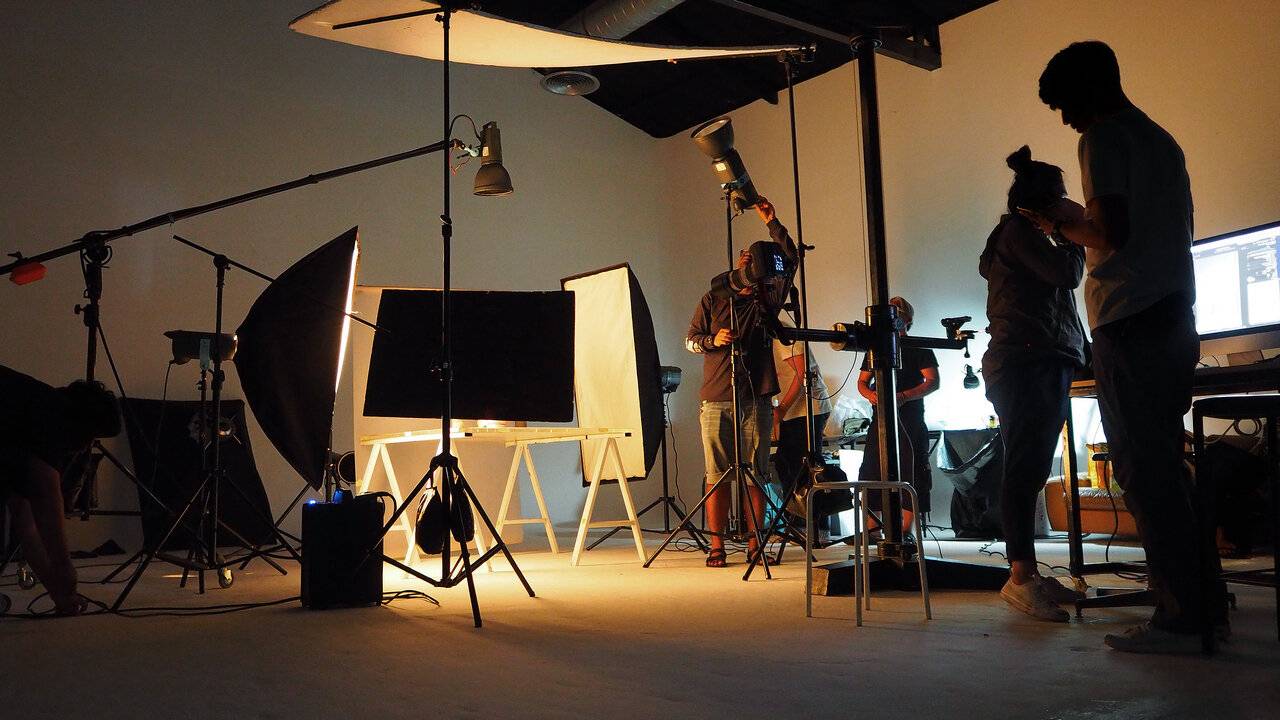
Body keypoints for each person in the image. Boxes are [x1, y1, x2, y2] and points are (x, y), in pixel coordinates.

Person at [1024, 41, 1220, 652]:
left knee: (1143, 472)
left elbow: (1110, 231)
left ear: (1089, 91)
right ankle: (1205, 608)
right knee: (1169, 469)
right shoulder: (1160, 140)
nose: (1065, 120)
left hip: (1130, 318)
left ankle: (1181, 621)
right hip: (1174, 313)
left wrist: (1056, 223)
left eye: (1065, 105)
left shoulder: (1102, 137)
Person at [980, 145, 1088, 622]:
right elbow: (1067, 275)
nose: (1067, 204)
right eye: (1060, 197)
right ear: (1046, 203)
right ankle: (1020, 578)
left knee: (1032, 468)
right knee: (1025, 469)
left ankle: (1028, 574)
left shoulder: (1020, 236)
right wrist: (1073, 233)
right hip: (1025, 364)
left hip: (1037, 361)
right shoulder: (1019, 233)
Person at [686, 197, 798, 567]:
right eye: (747, 262)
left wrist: (772, 222)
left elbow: (790, 261)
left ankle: (754, 542)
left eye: (756, 264)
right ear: (738, 265)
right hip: (717, 396)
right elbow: (690, 340)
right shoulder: (713, 299)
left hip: (757, 397)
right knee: (717, 475)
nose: (751, 269)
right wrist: (712, 340)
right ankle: (717, 545)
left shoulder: (768, 299)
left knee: (756, 474)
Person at [1, 365, 121, 615]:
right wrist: (65, 570)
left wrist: (59, 591)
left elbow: (26, 522)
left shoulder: (21, 426)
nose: (87, 446)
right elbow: (47, 500)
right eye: (91, 436)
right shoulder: (50, 415)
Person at [856, 296, 938, 540]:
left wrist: (903, 396)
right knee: (872, 469)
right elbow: (862, 382)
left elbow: (932, 381)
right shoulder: (876, 347)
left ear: (908, 320)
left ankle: (906, 530)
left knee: (912, 470)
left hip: (910, 418)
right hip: (880, 419)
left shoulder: (919, 347)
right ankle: (872, 528)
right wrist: (871, 395)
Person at [770, 312, 832, 500]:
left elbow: (802, 374)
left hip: (808, 408)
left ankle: (811, 514)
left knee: (801, 468)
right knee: (786, 464)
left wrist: (782, 408)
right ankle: (800, 512)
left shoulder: (781, 335)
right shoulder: (774, 336)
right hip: (797, 410)